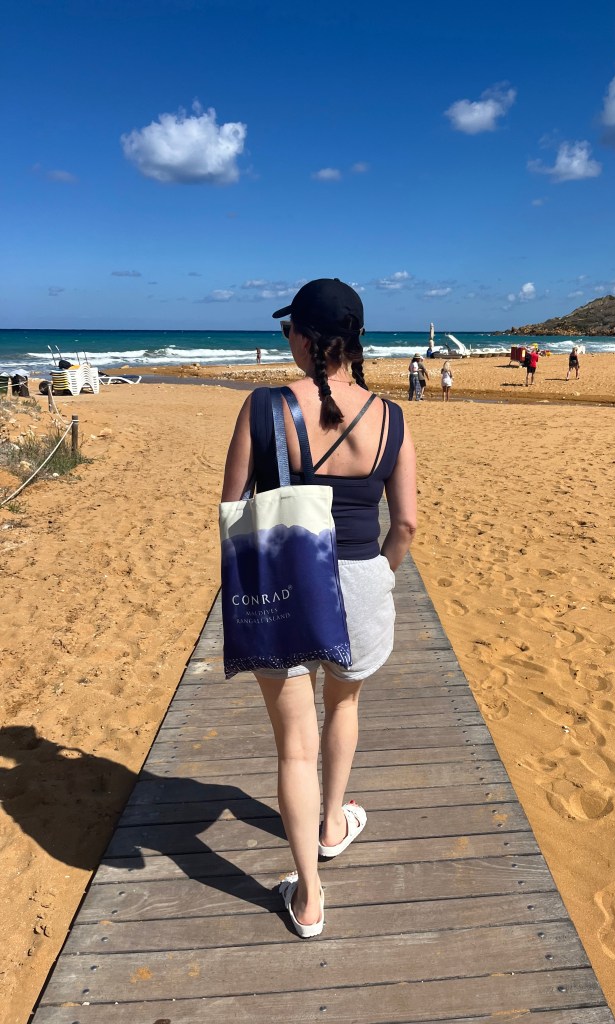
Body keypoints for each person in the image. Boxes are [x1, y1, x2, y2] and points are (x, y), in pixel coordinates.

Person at [221, 278, 417, 938]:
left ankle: (308, 898)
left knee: (293, 750)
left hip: (284, 584)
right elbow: (406, 525)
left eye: (288, 332)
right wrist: (379, 575)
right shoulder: (391, 418)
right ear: (354, 341)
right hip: (360, 580)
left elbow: (234, 509)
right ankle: (334, 823)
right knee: (345, 704)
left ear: (304, 339)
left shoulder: (264, 408)